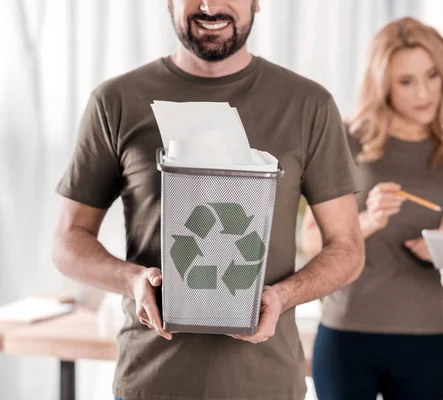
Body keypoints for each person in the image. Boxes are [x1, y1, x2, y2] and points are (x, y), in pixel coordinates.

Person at [51, 1, 365, 399]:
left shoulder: (308, 105)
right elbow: (67, 241)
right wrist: (131, 281)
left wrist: (284, 295)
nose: (210, 6)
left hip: (266, 384)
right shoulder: (116, 100)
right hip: (152, 381)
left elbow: (348, 248)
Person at [300, 17, 443, 400]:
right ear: (384, 86)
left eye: (432, 75)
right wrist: (368, 221)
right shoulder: (346, 139)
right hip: (348, 331)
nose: (424, 92)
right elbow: (310, 241)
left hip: (425, 333)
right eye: (406, 82)